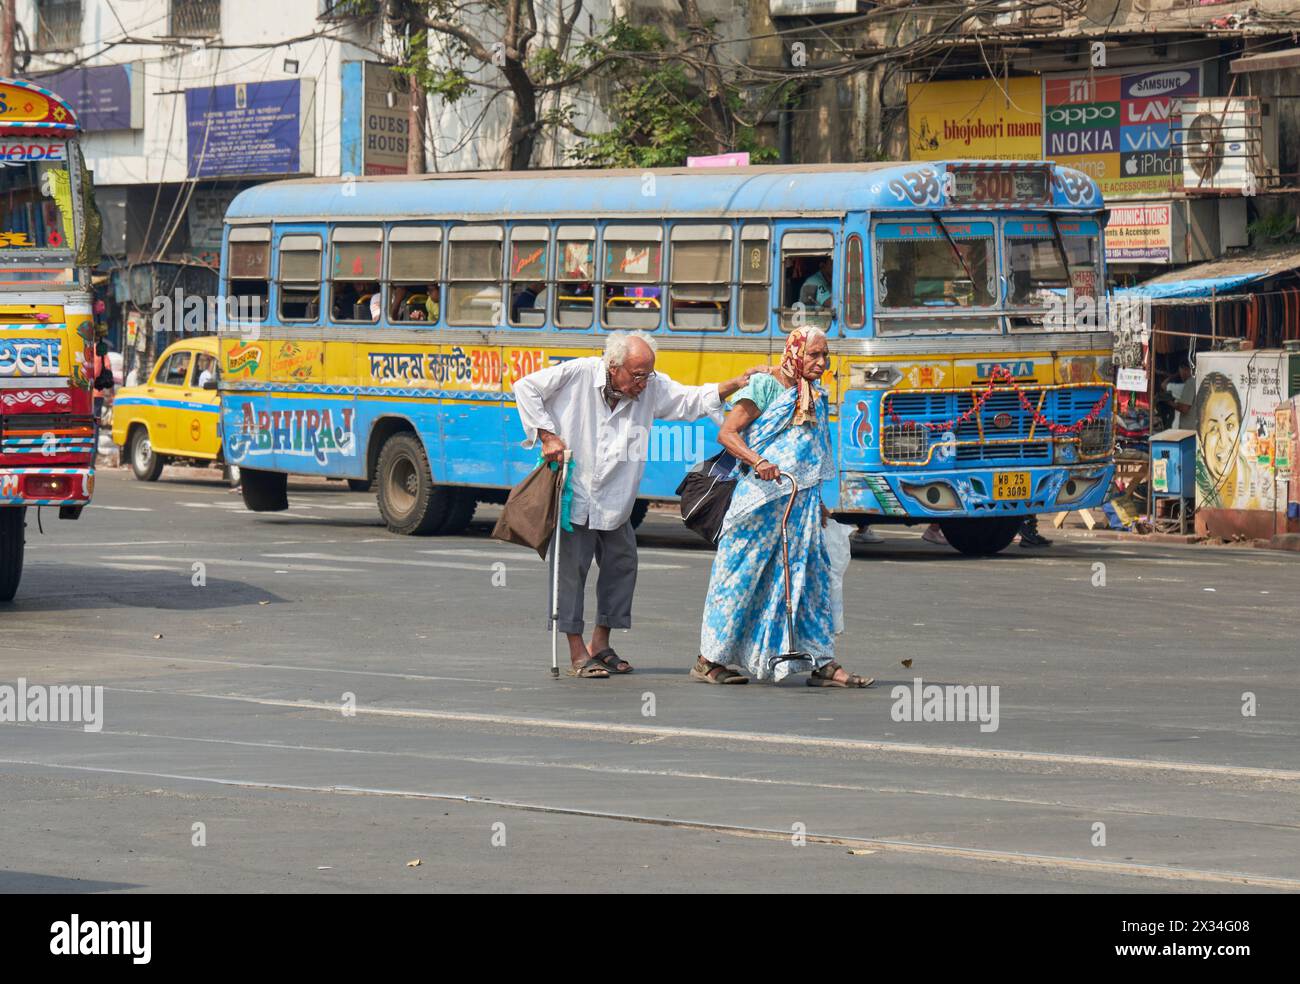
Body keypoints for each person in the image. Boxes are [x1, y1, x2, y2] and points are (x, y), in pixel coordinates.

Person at [513, 330, 768, 679]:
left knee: (622, 566)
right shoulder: (579, 373)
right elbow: (526, 388)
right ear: (613, 366)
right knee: (570, 572)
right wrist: (547, 435)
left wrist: (735, 383)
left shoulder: (650, 387)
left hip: (616, 496)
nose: (643, 383)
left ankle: (600, 644)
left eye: (647, 374)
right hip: (575, 490)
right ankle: (577, 651)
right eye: (637, 375)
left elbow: (691, 399)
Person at [691, 327, 873, 688]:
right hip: (759, 503)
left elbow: (811, 450)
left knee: (811, 581)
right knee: (741, 580)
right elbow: (728, 434)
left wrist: (818, 502)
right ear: (794, 353)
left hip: (800, 505)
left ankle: (823, 662)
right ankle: (709, 659)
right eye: (813, 356)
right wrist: (758, 461)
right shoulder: (765, 386)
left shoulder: (814, 395)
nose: (821, 363)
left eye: (825, 355)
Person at [1165, 359, 1195, 430]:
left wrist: (1169, 402)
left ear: (1185, 369)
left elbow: (1184, 408)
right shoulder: (1199, 380)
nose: (1180, 374)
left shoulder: (1190, 383)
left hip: (1188, 429)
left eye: (1180, 371)